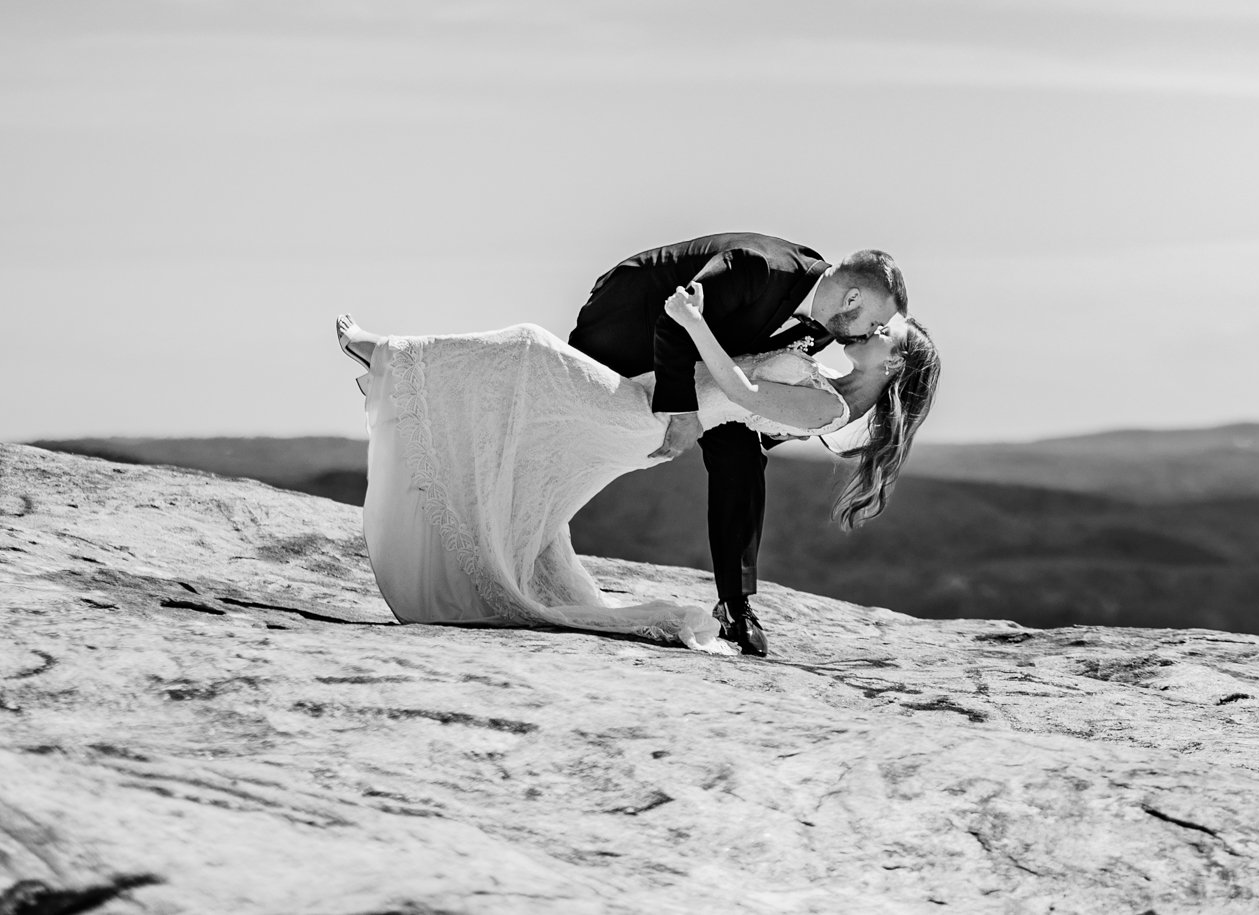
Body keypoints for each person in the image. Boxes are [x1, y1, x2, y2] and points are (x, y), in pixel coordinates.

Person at [332, 284, 940, 654]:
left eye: (887, 333)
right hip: (649, 398)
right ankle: (405, 377)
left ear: (892, 366)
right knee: (527, 423)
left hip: (644, 415)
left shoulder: (827, 403)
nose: (875, 329)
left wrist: (694, 322)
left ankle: (387, 353)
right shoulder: (828, 377)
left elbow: (740, 390)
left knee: (528, 349)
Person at [564, 234, 912, 655]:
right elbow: (676, 317)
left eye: (880, 330)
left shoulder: (824, 329)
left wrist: (771, 421)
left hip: (711, 372)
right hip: (627, 321)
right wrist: (684, 413)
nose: (873, 332)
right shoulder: (758, 266)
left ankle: (735, 605)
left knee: (741, 456)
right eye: (874, 322)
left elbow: (757, 381)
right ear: (852, 297)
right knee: (588, 427)